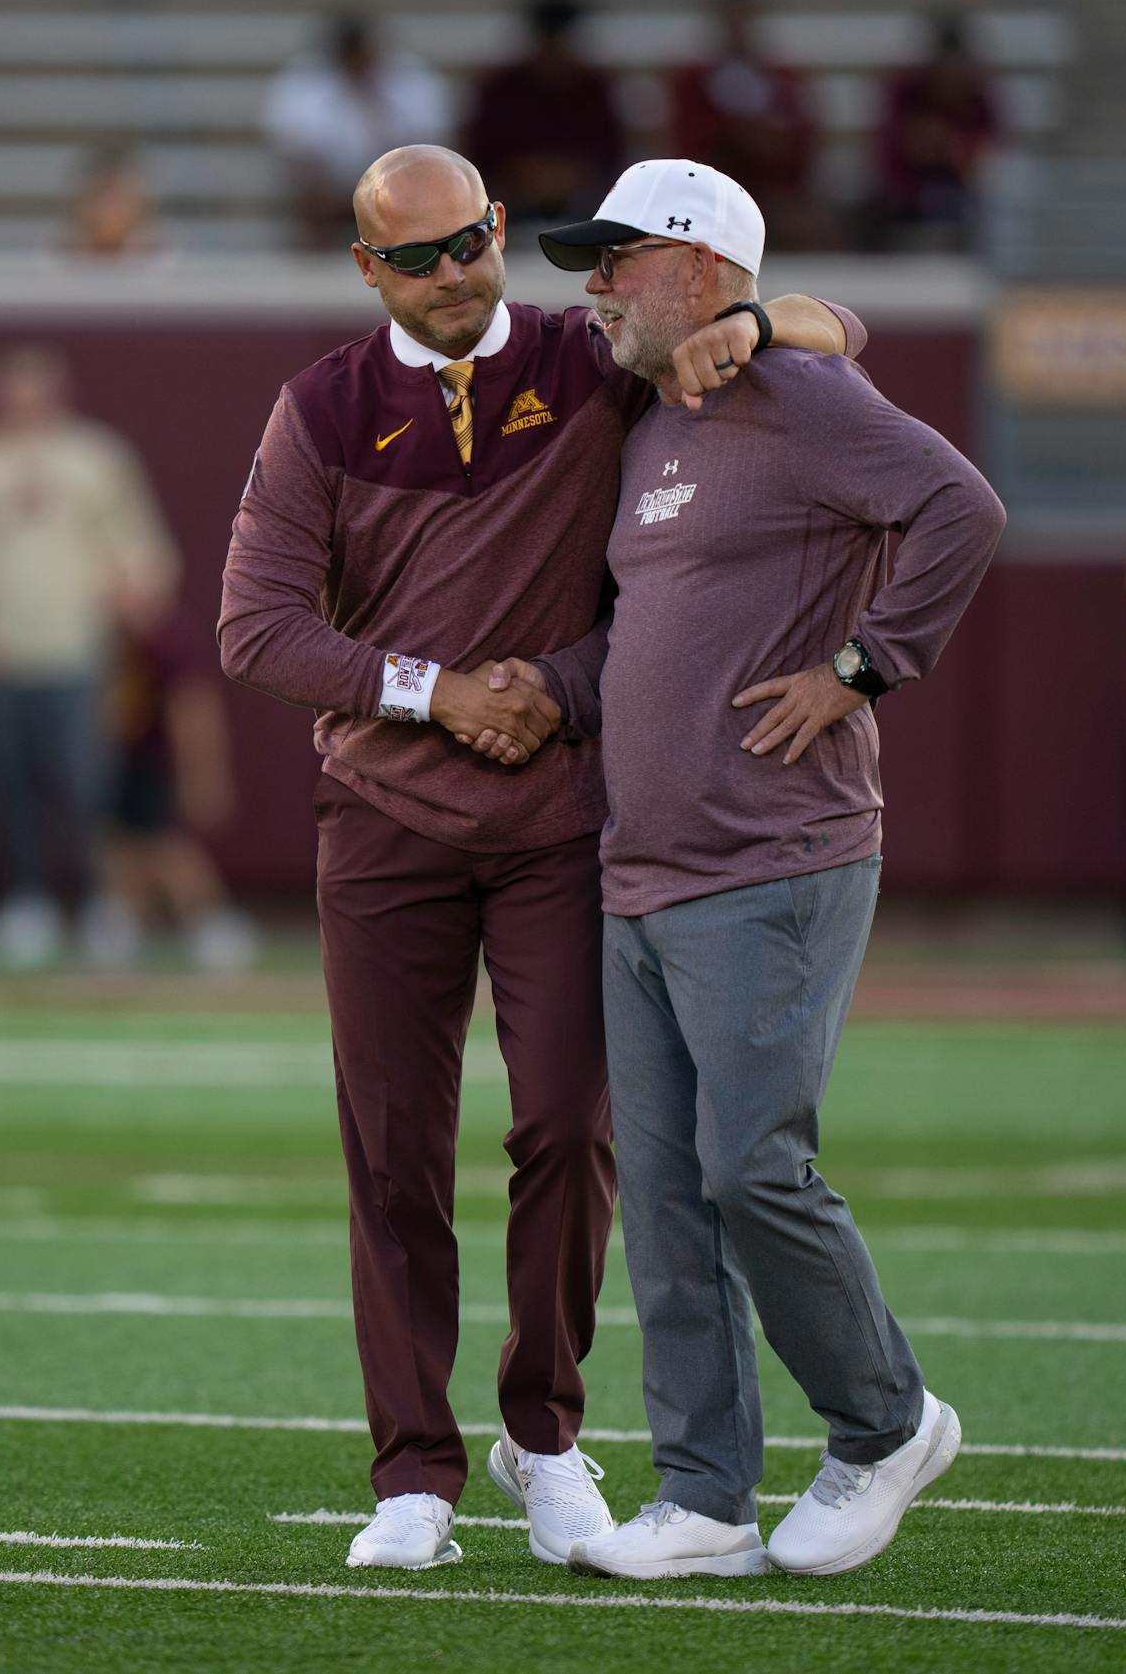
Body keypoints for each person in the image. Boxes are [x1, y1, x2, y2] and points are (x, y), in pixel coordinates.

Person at [218, 143, 866, 1573]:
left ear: (500, 230)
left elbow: (836, 330)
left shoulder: (594, 358)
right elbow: (256, 629)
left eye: (469, 244)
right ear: (365, 271)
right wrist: (435, 690)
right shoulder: (319, 408)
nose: (452, 276)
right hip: (383, 820)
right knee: (391, 1149)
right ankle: (412, 1473)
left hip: (564, 819)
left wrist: (750, 322)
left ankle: (545, 1434)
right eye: (417, 258)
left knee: (574, 1128)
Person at [495, 159, 1002, 1578]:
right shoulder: (657, 418)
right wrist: (543, 685)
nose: (591, 285)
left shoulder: (798, 394)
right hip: (640, 865)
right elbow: (661, 631)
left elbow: (963, 508)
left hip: (771, 853)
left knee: (751, 1169)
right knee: (660, 1195)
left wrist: (862, 667)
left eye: (618, 259)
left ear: (706, 270)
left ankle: (885, 1422)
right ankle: (708, 1497)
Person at [0, 343, 181, 970]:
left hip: (81, 649)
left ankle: (103, 903)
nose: (25, 405)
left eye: (35, 391)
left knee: (88, 785)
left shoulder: (96, 459)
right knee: (9, 786)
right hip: (1, 653)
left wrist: (133, 601)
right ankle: (27, 903)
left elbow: (141, 546)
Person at [100, 608, 260, 974]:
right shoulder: (119, 640)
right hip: (129, 759)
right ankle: (127, 924)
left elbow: (194, 711)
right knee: (121, 845)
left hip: (158, 762)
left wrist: (201, 774)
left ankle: (214, 924)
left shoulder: (169, 642)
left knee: (166, 846)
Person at [264, 16, 450, 249]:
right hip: (330, 185)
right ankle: (317, 261)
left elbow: (428, 142)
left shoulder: (409, 80)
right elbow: (296, 149)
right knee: (310, 188)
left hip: (395, 178)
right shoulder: (304, 85)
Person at [667, 0, 829, 250]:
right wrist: (740, 136)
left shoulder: (782, 79)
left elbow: (803, 139)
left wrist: (772, 144)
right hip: (711, 196)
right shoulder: (693, 83)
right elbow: (687, 146)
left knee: (810, 225)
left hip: (773, 192)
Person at [463, 0, 625, 222]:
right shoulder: (501, 87)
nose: (555, 52)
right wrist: (526, 173)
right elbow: (482, 149)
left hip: (581, 198)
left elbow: (609, 150)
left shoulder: (595, 87)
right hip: (513, 198)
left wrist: (569, 175)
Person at [868, 14, 999, 249]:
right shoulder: (905, 91)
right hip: (908, 199)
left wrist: (950, 147)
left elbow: (992, 154)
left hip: (968, 199)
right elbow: (886, 154)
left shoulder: (979, 96)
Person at [64, 140, 161, 259]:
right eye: (100, 196)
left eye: (119, 197)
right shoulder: (50, 261)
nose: (109, 210)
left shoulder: (173, 263)